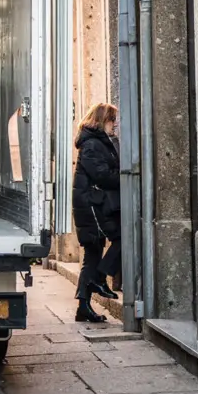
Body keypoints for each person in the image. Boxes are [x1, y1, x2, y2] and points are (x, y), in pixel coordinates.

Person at [71, 103, 121, 323]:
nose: (115, 126)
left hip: (94, 204)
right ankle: (99, 279)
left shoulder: (97, 142)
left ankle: (83, 306)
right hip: (92, 207)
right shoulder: (92, 144)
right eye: (112, 121)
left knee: (92, 254)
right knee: (122, 237)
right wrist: (127, 175)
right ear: (103, 120)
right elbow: (102, 176)